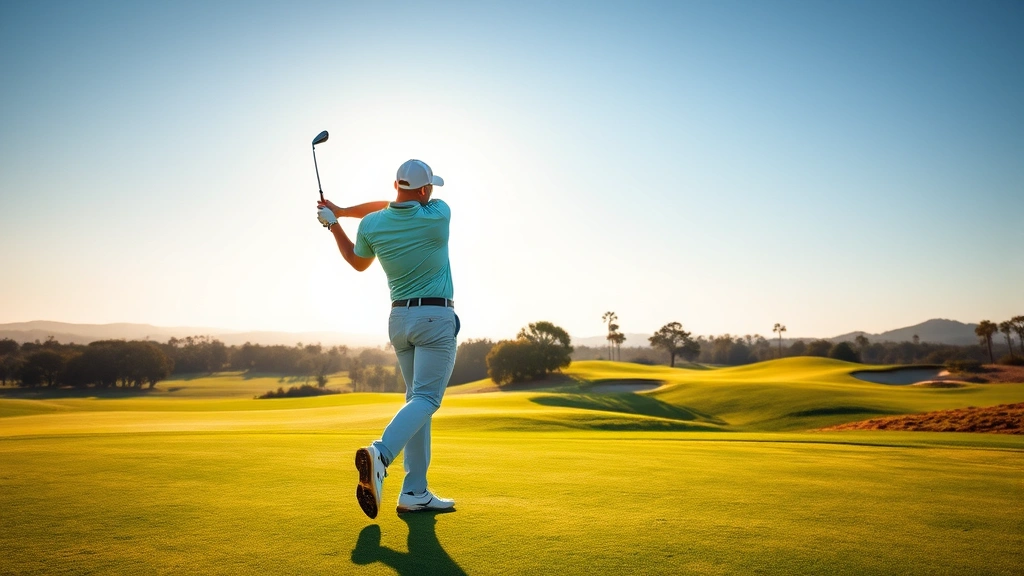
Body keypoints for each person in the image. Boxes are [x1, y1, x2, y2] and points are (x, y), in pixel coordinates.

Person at [316, 159, 459, 520]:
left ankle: (415, 491)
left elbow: (357, 261)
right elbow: (405, 205)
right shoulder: (438, 214)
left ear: (395, 185)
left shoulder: (373, 224)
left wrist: (336, 221)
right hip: (434, 317)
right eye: (430, 188)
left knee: (416, 403)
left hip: (399, 320)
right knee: (427, 399)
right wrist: (343, 211)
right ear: (425, 190)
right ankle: (380, 454)